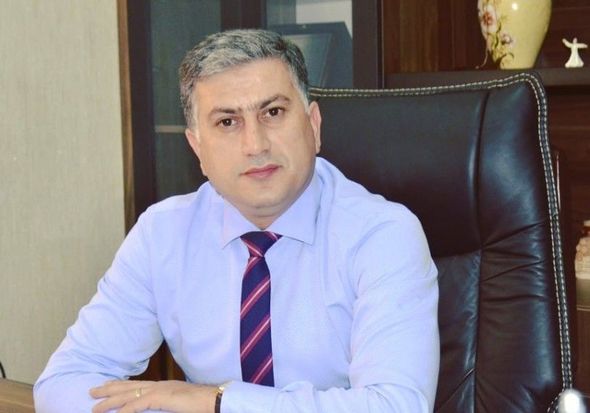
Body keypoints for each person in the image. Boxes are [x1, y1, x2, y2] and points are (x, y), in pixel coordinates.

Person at [34, 29, 439, 413]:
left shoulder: (382, 235)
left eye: (273, 112)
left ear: (313, 125)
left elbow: (396, 406)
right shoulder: (163, 234)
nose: (255, 145)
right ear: (197, 148)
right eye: (227, 122)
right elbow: (63, 382)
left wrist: (218, 403)